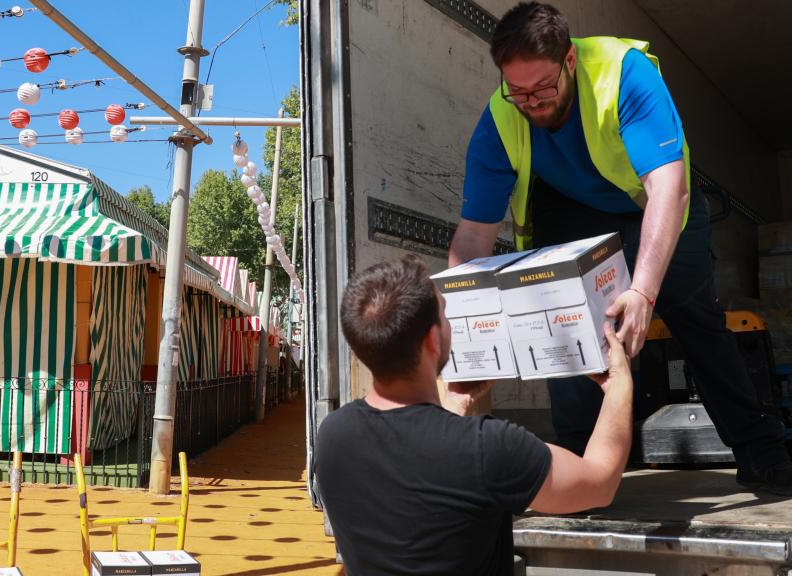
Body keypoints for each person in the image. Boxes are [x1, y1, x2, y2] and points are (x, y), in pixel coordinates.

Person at [447, 1, 792, 493]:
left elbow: (667, 188)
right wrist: (459, 320)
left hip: (656, 200)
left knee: (694, 318)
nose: (530, 101)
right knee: (564, 320)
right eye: (517, 90)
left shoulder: (622, 73)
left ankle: (761, 450)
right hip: (572, 209)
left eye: (542, 87)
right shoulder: (501, 117)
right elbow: (474, 236)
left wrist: (645, 292)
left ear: (569, 61)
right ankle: (578, 460)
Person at [314, 255, 632, 575]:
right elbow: (600, 483)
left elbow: (413, 462)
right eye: (445, 313)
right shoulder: (486, 448)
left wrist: (453, 406)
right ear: (433, 340)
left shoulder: (333, 435)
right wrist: (619, 386)